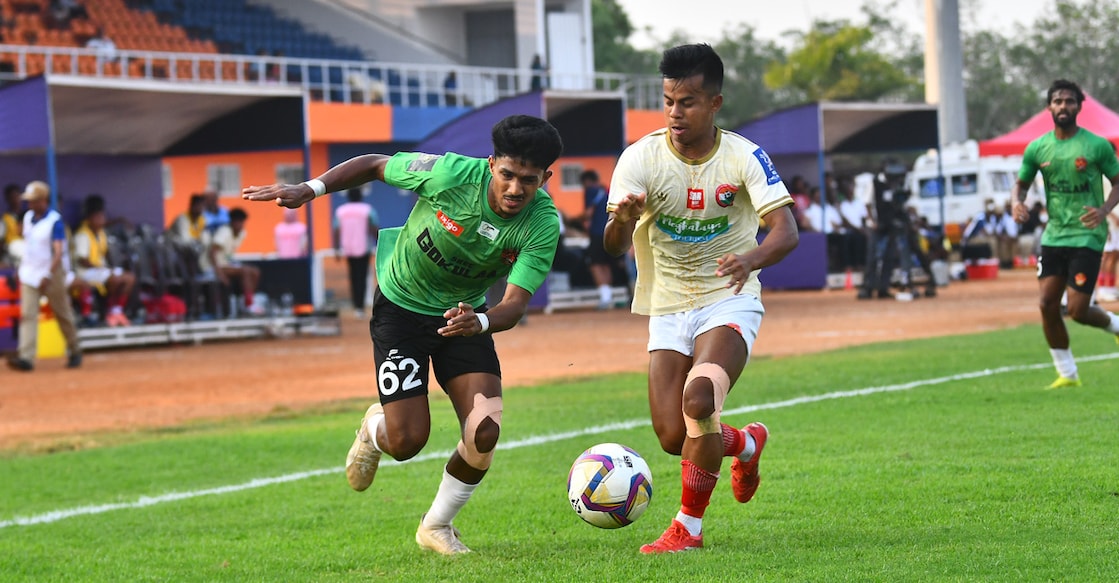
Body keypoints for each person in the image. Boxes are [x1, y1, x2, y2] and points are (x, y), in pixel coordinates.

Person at [241, 114, 565, 555]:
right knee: (408, 442)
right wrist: (310, 189)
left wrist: (481, 321)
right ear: (491, 164)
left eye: (528, 181)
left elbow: (513, 305)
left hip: (463, 318)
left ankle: (437, 527)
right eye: (507, 175)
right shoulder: (449, 174)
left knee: (484, 429)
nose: (514, 190)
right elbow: (376, 163)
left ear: (545, 178)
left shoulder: (542, 223)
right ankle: (374, 428)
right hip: (401, 307)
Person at [603, 44, 799, 554]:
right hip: (667, 305)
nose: (674, 112)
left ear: (715, 103)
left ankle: (687, 528)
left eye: (687, 101)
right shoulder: (639, 158)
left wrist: (750, 260)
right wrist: (622, 220)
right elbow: (611, 245)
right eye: (668, 100)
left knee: (699, 400)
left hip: (728, 299)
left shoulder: (743, 155)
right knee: (674, 436)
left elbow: (786, 232)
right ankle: (746, 443)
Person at [1010, 79, 1119, 389]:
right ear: (1049, 107)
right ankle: (1067, 374)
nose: (1063, 107)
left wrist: (1103, 209)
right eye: (1057, 101)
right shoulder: (1038, 147)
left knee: (1077, 310)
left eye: (1069, 102)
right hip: (1054, 235)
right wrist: (1017, 203)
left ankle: (1116, 326)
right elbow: (1021, 183)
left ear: (1079, 107)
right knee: (1046, 304)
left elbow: (1118, 181)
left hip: (1087, 235)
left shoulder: (1096, 145)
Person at [7, 181, 81, 371]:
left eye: (33, 201)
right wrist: (20, 269)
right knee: (28, 315)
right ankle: (26, 357)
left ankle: (74, 350)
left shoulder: (54, 221)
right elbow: (29, 247)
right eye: (29, 201)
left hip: (52, 272)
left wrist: (48, 274)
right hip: (31, 272)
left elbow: (58, 252)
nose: (30, 205)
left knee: (62, 312)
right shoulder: (29, 218)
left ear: (43, 200)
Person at [72, 194, 135, 326]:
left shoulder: (101, 233)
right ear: (90, 219)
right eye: (98, 217)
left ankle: (117, 311)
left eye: (102, 217)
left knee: (129, 277)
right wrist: (102, 268)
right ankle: (109, 312)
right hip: (85, 272)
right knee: (114, 278)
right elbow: (82, 261)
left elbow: (105, 254)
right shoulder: (82, 234)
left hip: (100, 270)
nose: (102, 220)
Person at [199, 207, 261, 316]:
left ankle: (248, 301)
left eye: (242, 222)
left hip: (225, 264)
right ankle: (248, 305)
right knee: (245, 271)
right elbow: (212, 253)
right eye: (238, 222)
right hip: (211, 266)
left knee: (255, 272)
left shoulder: (241, 233)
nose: (241, 225)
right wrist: (220, 274)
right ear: (232, 222)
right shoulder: (224, 232)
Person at [579, 169, 621, 309]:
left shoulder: (590, 190)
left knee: (595, 264)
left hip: (597, 232)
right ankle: (608, 296)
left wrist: (575, 220)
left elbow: (588, 213)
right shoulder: (607, 191)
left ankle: (605, 297)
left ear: (586, 181)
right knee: (606, 264)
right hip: (610, 231)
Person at [333, 188, 378, 318]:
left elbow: (336, 230)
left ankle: (356, 305)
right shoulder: (367, 210)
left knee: (353, 276)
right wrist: (379, 242)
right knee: (362, 277)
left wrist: (336, 248)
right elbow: (374, 227)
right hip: (363, 247)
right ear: (360, 196)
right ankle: (360, 307)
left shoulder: (341, 211)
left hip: (348, 248)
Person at [1, 183, 23, 266]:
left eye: (17, 196)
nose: (16, 200)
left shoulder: (28, 215)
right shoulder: (5, 218)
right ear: (8, 199)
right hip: (12, 249)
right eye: (12, 197)